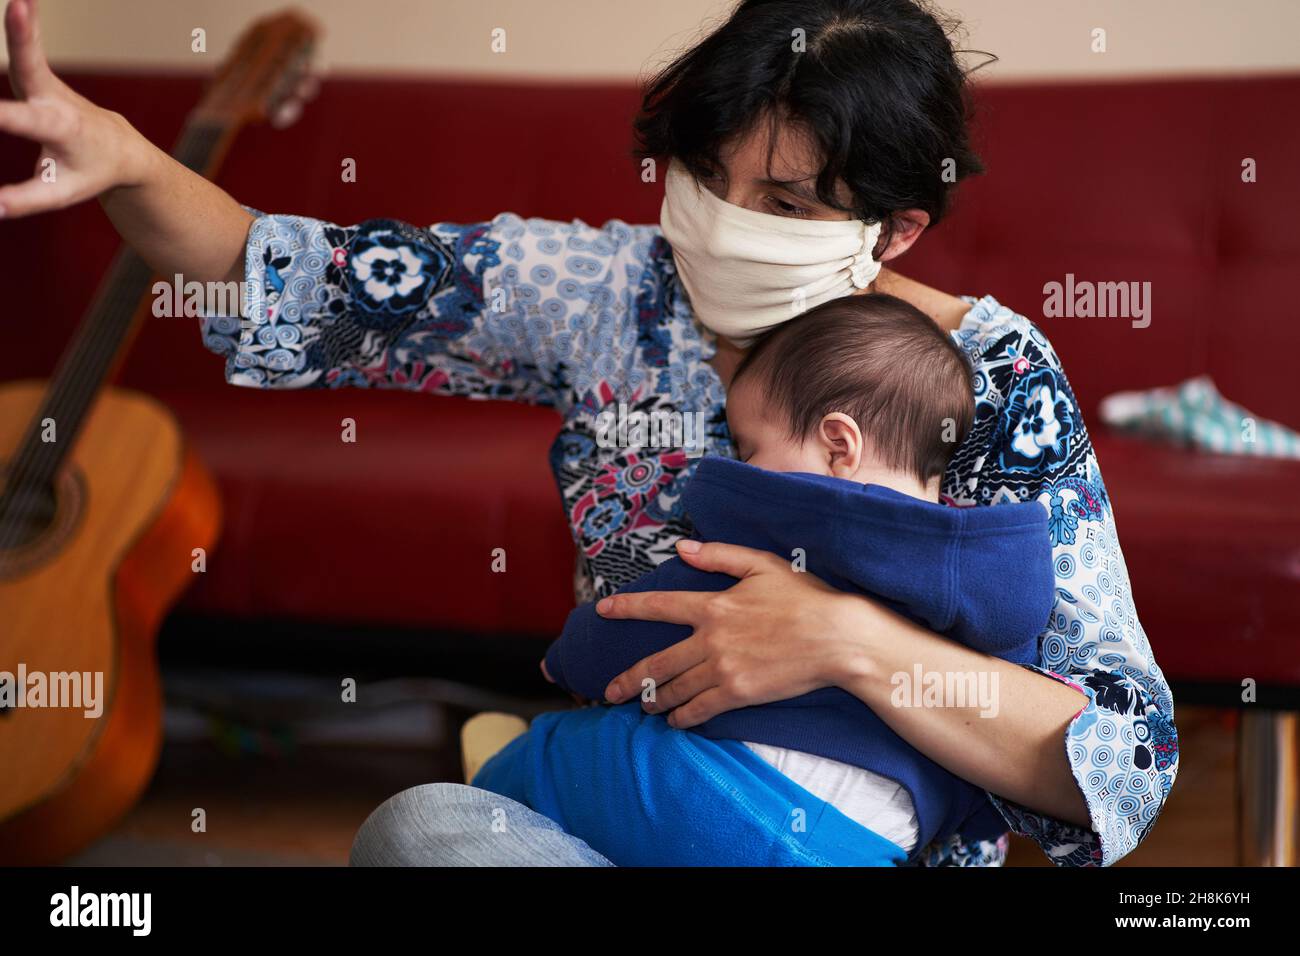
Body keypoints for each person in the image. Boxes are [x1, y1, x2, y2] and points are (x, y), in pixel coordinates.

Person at [0, 0, 1178, 867]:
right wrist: (123, 158)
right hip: (635, 819)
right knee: (419, 830)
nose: (720, 221)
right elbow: (292, 273)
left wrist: (841, 640)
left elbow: (1122, 758)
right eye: (707, 174)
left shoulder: (991, 375)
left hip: (848, 849)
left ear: (897, 229)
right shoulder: (603, 288)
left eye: (780, 202)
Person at [471, 293, 1057, 866]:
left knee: (559, 751)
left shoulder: (788, 525)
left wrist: (571, 658)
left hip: (722, 802)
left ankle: (497, 780)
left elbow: (650, 619)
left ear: (838, 444)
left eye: (749, 450)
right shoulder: (993, 570)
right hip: (869, 844)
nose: (744, 469)